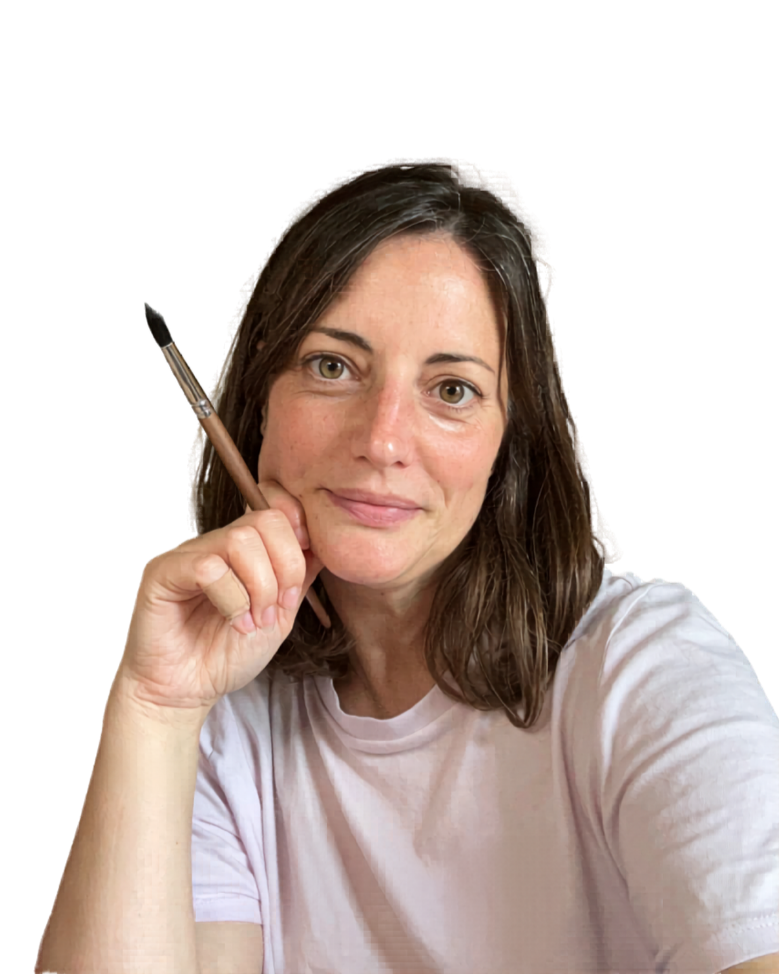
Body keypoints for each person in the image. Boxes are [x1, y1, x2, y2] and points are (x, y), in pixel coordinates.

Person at [36, 159, 778, 974]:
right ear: (256, 403)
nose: (382, 440)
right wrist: (155, 705)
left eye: (452, 389)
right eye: (332, 366)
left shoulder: (647, 667)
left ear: (509, 446)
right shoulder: (224, 714)